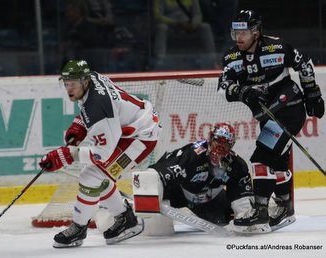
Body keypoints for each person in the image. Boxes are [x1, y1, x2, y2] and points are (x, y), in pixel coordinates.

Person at [218, 10, 325, 230]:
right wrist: (241, 91)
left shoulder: (277, 47)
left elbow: (304, 64)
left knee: (261, 158)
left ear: (256, 32)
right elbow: (224, 87)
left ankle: (261, 211)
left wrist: (313, 94)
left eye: (244, 32)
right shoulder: (232, 57)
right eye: (235, 32)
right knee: (276, 163)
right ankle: (285, 206)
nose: (238, 38)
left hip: (289, 111)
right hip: (268, 117)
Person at [39, 59, 161, 247]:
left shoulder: (97, 107)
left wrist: (67, 155)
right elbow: (96, 108)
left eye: (72, 84)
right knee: (97, 175)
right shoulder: (92, 77)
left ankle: (79, 228)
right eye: (66, 83)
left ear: (84, 81)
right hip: (129, 129)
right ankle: (125, 218)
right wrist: (81, 124)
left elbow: (102, 153)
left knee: (91, 175)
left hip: (141, 138)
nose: (69, 88)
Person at [134, 123, 263, 231]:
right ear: (210, 140)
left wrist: (244, 212)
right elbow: (164, 171)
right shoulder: (193, 155)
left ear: (231, 147)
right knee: (153, 205)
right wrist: (148, 189)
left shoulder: (236, 165)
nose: (218, 149)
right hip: (177, 191)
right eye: (217, 142)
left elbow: (240, 189)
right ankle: (132, 212)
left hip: (206, 200)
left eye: (224, 146)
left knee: (226, 219)